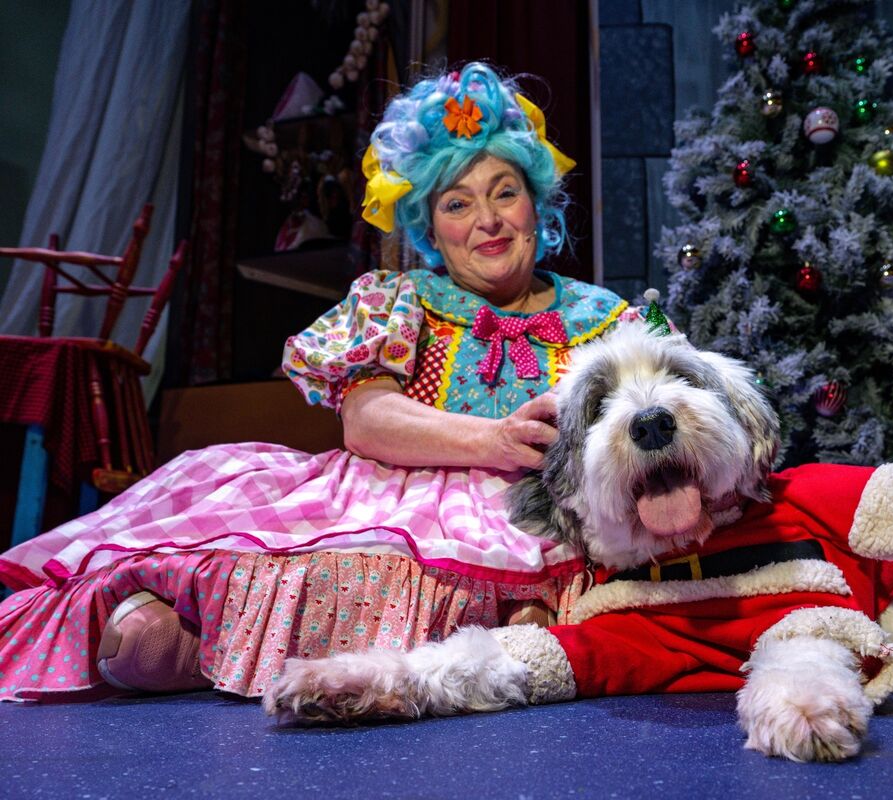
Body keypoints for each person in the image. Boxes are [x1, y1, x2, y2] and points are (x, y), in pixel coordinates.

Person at [0, 63, 649, 701]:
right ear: (429, 226)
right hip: (402, 495)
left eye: (505, 191)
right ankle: (202, 644)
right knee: (284, 546)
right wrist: (494, 440)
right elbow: (368, 421)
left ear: (537, 200)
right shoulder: (401, 300)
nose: (488, 219)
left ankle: (501, 640)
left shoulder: (601, 317)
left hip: (540, 513)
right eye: (458, 202)